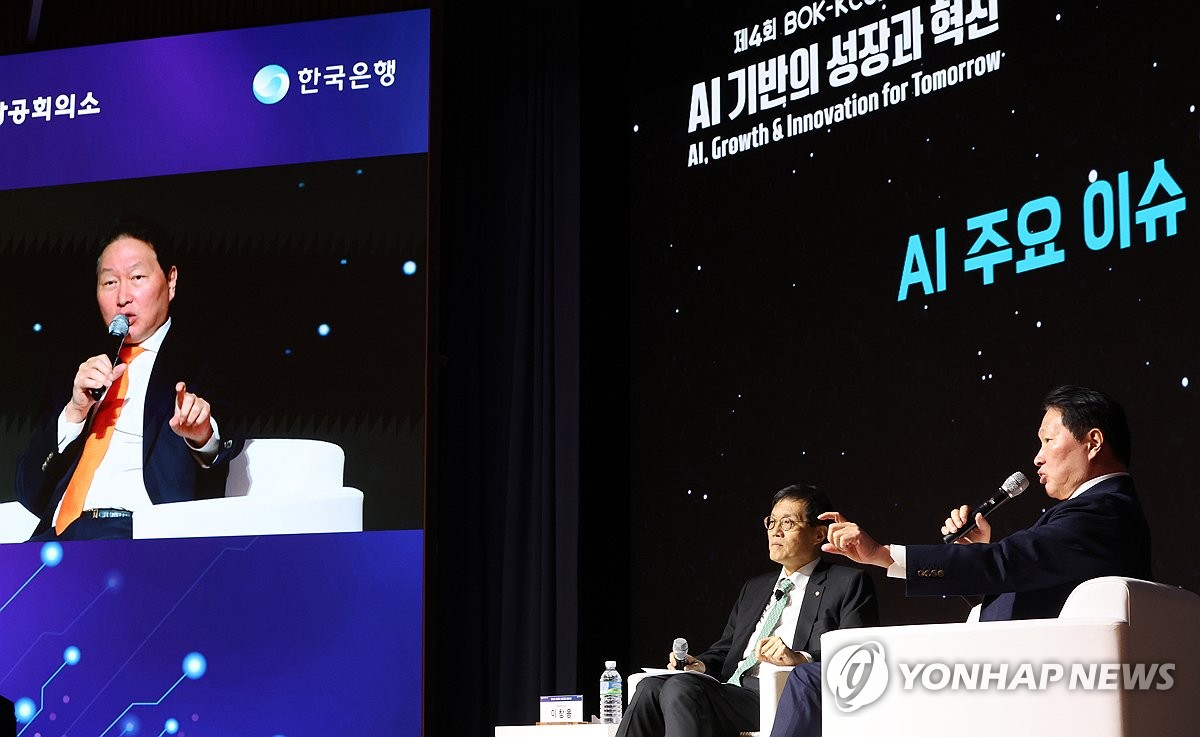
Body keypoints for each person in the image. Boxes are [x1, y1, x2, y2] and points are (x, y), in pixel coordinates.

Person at [768, 384, 1152, 737]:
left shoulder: (1101, 511)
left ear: (1093, 442)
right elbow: (1027, 578)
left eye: (1049, 440)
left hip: (997, 681)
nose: (1037, 458)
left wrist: (882, 555)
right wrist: (978, 556)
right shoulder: (1104, 510)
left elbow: (1009, 561)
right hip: (996, 675)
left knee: (813, 681)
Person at [15, 216, 244, 540]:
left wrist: (201, 433)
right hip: (56, 540)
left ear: (171, 281)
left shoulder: (201, 361)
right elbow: (29, 491)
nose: (122, 296)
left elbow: (227, 437)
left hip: (136, 534)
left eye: (137, 277)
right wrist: (75, 413)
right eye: (110, 282)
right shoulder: (79, 373)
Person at [616, 483, 878, 737]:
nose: (775, 531)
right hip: (731, 691)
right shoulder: (755, 588)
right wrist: (701, 665)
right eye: (771, 522)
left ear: (819, 534)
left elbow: (854, 657)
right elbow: (726, 649)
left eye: (787, 523)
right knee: (649, 687)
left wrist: (800, 657)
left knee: (680, 688)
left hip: (779, 696)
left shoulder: (846, 583)